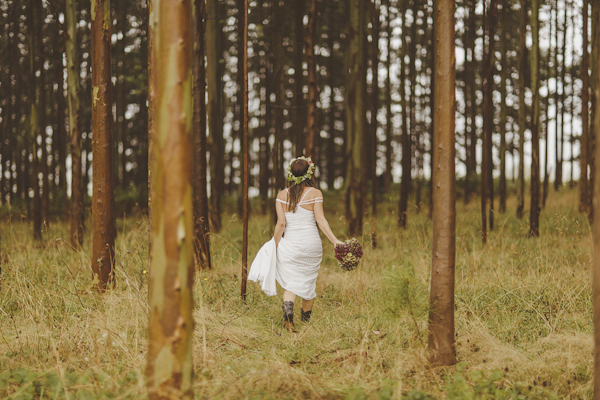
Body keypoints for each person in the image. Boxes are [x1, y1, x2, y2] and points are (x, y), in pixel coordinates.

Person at [274, 156, 343, 332]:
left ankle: (289, 313)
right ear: (309, 173)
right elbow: (320, 220)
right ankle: (306, 320)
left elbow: (281, 224)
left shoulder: (282, 195)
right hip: (311, 245)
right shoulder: (315, 193)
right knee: (308, 281)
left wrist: (273, 246)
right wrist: (335, 241)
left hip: (290, 245)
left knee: (291, 284)